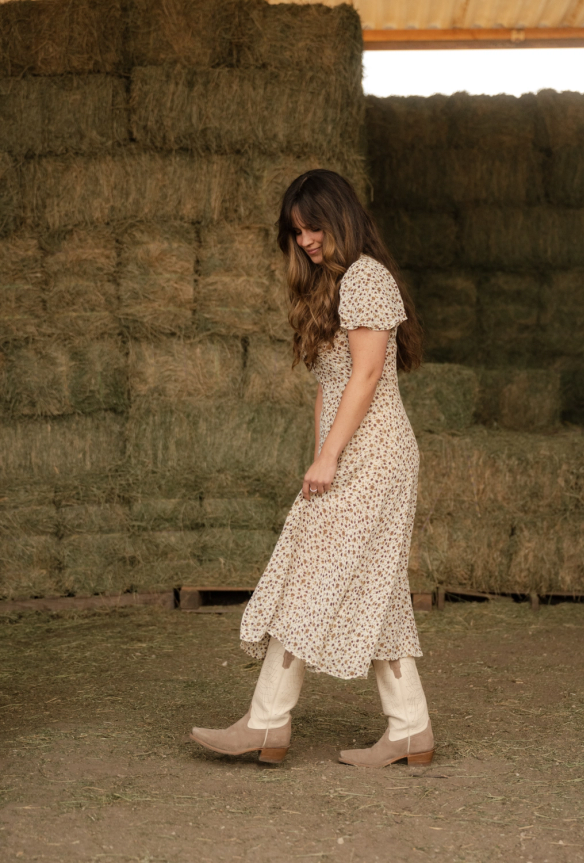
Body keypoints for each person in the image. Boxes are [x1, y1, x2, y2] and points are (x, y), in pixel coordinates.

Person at [190, 169, 433, 768]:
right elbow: (327, 388)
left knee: (309, 581)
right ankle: (411, 729)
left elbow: (368, 375)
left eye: (313, 227)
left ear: (342, 217)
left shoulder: (369, 279)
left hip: (374, 455)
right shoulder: (331, 288)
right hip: (344, 452)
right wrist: (318, 453)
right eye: (296, 232)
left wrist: (331, 455)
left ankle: (267, 722)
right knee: (377, 592)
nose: (305, 240)